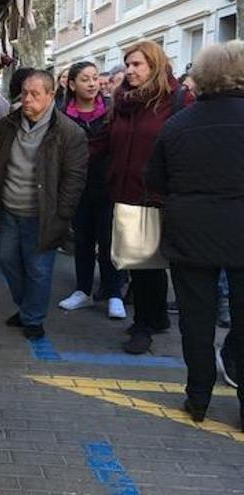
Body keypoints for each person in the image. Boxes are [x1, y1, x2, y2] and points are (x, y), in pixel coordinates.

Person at [145, 40, 244, 427]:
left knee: (196, 320)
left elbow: (155, 178)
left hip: (191, 232)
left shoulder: (178, 123)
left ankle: (198, 397)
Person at [0, 70, 88, 339]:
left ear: (51, 96)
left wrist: (62, 214)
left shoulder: (68, 132)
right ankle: (28, 307)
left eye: (35, 94)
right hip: (8, 209)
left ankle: (33, 318)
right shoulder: (8, 125)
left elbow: (74, 178)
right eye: (25, 93)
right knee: (6, 259)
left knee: (38, 269)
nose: (27, 99)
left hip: (43, 214)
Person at [107, 40, 194, 354]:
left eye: (137, 65)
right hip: (125, 193)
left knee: (146, 265)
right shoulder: (123, 101)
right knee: (141, 263)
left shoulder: (178, 100)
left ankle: (144, 325)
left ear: (154, 65)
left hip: (157, 196)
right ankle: (155, 317)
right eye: (127, 64)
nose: (129, 71)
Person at [57, 62, 126, 320]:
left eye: (95, 78)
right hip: (78, 187)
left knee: (110, 242)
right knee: (83, 240)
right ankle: (83, 291)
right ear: (72, 84)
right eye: (85, 79)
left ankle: (114, 293)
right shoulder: (62, 115)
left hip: (109, 186)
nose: (92, 83)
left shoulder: (111, 111)